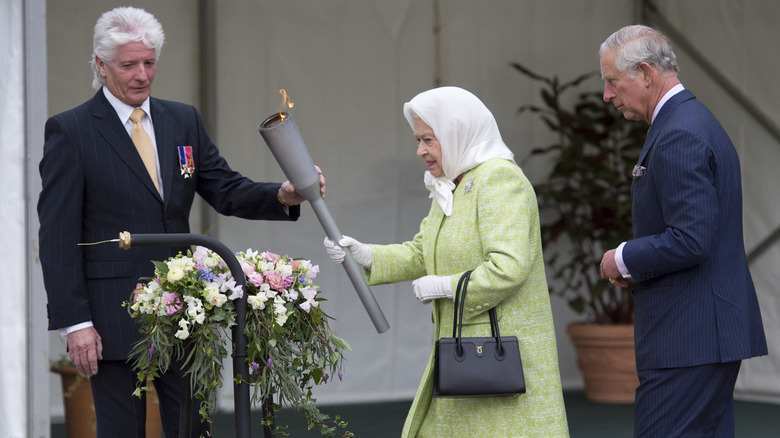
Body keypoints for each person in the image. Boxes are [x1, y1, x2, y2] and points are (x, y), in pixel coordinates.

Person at [37, 7, 324, 438]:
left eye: (149, 63)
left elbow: (224, 187)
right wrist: (74, 323)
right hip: (111, 317)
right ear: (100, 65)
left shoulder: (181, 118)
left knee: (194, 429)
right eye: (128, 65)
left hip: (186, 310)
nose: (141, 75)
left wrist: (281, 194)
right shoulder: (70, 130)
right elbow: (57, 236)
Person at [324, 86, 569, 437]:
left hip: (502, 358)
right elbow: (424, 252)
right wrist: (367, 254)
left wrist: (446, 286)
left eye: (428, 139)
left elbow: (509, 267)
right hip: (466, 355)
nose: (420, 150)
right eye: (418, 139)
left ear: (457, 132)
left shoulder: (499, 179)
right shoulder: (453, 182)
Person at [598, 25, 767, 437]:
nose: (606, 94)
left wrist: (621, 258)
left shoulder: (678, 134)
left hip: (688, 337)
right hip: (704, 331)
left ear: (645, 73)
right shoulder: (692, 120)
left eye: (612, 81)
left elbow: (691, 238)